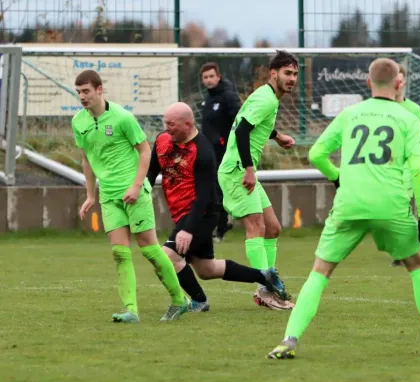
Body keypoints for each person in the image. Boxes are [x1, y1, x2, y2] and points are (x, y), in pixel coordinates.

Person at [267, 58, 420, 360]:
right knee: (418, 267)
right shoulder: (407, 118)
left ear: (368, 83)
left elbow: (318, 153)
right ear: (399, 83)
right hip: (391, 205)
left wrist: (338, 177)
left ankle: (288, 341)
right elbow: (419, 169)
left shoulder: (350, 114)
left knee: (320, 271)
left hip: (350, 204)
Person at [146, 102, 291, 311]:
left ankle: (198, 301)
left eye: (171, 124)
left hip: (202, 212)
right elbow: (152, 171)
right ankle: (265, 276)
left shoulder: (202, 151)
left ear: (187, 124)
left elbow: (204, 195)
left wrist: (187, 229)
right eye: (165, 123)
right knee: (207, 269)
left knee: (166, 257)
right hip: (182, 214)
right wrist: (141, 192)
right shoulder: (162, 141)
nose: (167, 129)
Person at [72, 70, 188, 323]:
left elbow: (146, 151)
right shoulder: (78, 122)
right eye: (78, 92)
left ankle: (180, 300)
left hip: (134, 193)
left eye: (86, 91)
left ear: (99, 90)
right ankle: (131, 310)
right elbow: (87, 159)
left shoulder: (123, 117)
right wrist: (90, 195)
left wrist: (137, 186)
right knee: (120, 254)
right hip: (109, 196)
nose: (82, 96)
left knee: (150, 250)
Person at [217, 50, 298, 310]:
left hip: (243, 168)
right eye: (288, 73)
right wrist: (250, 169)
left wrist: (276, 135)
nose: (292, 78)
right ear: (273, 74)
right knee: (256, 227)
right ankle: (266, 290)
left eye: (295, 74)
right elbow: (241, 131)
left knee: (272, 228)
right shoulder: (266, 99)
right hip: (238, 171)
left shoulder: (268, 97)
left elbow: (248, 123)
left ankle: (265, 287)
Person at [391, 63, 420, 267]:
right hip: (385, 167)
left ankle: (407, 249)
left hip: (407, 164)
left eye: (399, 78)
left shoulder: (414, 109)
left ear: (403, 81)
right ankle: (402, 245)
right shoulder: (378, 108)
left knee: (402, 201)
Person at [199, 62, 241, 242]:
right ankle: (221, 224)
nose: (209, 80)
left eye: (211, 76)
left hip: (225, 152)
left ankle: (222, 226)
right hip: (210, 152)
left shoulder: (228, 96)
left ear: (219, 76)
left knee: (220, 188)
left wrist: (226, 141)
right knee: (213, 188)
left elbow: (239, 121)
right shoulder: (208, 99)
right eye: (205, 77)